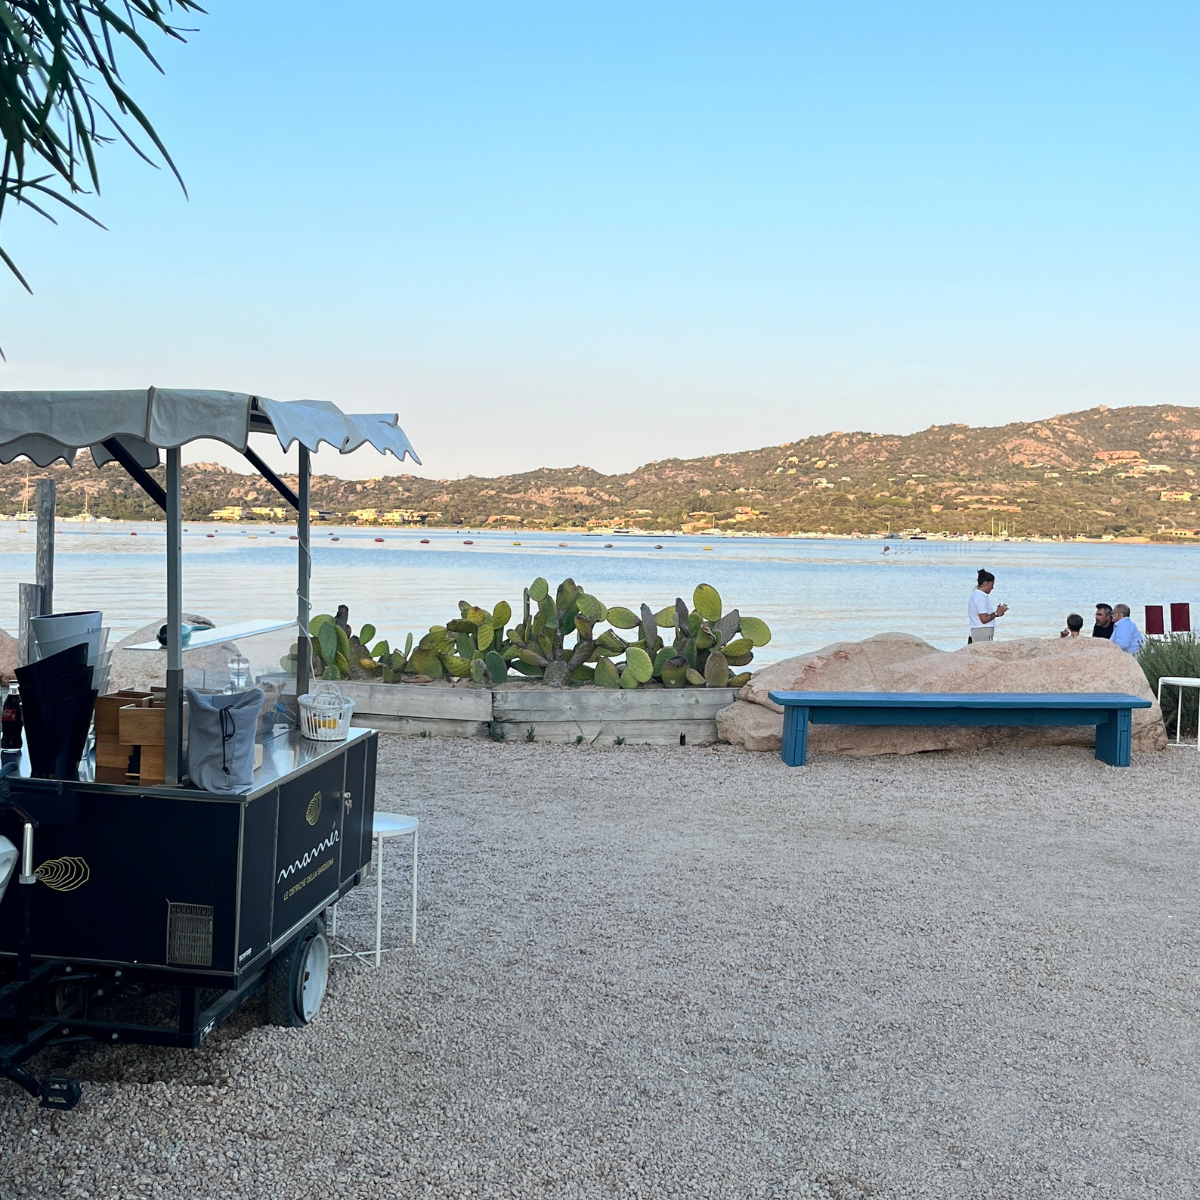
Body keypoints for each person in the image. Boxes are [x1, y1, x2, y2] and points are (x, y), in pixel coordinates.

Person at [968, 568, 1007, 644]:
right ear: (986, 584)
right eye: (992, 585)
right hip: (981, 632)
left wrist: (998, 613)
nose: (992, 588)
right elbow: (984, 620)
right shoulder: (980, 597)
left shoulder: (978, 595)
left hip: (979, 631)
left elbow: (983, 616)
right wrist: (996, 613)